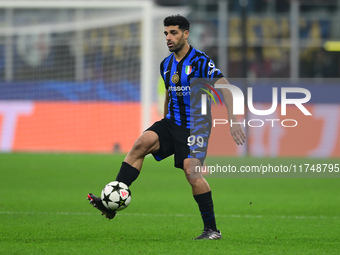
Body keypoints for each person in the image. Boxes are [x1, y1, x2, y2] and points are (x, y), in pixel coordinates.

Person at [88, 15, 246, 240]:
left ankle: (212, 230)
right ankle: (111, 203)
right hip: (171, 123)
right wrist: (163, 126)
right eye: (166, 33)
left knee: (191, 172)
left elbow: (226, 88)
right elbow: (169, 96)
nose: (168, 38)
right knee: (141, 143)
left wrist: (233, 119)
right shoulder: (166, 64)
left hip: (196, 127)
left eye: (173, 33)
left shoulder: (200, 61)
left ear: (185, 34)